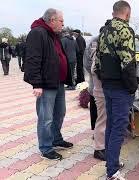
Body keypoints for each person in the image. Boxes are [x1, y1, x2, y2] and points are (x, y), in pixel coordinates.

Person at [24, 8, 74, 160]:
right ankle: (46, 148)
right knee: (46, 117)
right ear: (52, 20)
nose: (63, 24)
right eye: (61, 21)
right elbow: (33, 59)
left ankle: (56, 139)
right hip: (45, 83)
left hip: (57, 82)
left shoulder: (53, 35)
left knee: (60, 112)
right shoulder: (37, 33)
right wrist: (36, 84)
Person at [96, 1, 137, 179]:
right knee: (118, 129)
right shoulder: (125, 30)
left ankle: (111, 161)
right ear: (127, 14)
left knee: (111, 126)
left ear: (114, 12)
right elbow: (127, 63)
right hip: (121, 87)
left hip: (107, 85)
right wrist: (132, 87)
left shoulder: (103, 30)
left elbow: (97, 61)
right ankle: (112, 172)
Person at [83, 22, 110, 161]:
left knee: (102, 116)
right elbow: (88, 64)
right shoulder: (95, 42)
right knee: (100, 115)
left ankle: (101, 141)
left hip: (102, 86)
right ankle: (99, 146)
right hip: (99, 85)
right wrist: (96, 77)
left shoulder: (107, 39)